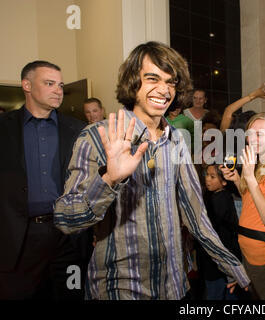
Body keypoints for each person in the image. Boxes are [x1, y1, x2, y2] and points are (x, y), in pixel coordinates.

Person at [53, 41, 250, 300]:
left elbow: (196, 216)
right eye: (152, 78)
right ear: (133, 82)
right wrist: (109, 180)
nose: (164, 90)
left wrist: (230, 264)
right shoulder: (97, 137)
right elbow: (65, 218)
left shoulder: (177, 140)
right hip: (119, 288)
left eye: (171, 82)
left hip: (174, 286)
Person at [0, 60, 89, 299]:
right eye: (49, 83)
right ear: (26, 85)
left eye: (60, 85)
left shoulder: (78, 129)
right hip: (19, 238)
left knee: (71, 294)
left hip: (68, 237)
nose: (58, 90)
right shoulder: (4, 128)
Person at [221, 112, 265, 300]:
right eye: (250, 134)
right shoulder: (260, 161)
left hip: (263, 250)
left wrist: (250, 177)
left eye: (259, 134)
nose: (252, 139)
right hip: (247, 247)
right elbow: (251, 202)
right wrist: (237, 179)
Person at [196, 165, 241, 300]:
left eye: (212, 176)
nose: (207, 179)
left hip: (219, 261)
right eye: (206, 175)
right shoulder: (214, 196)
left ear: (224, 181)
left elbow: (209, 227)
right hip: (219, 260)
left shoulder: (221, 199)